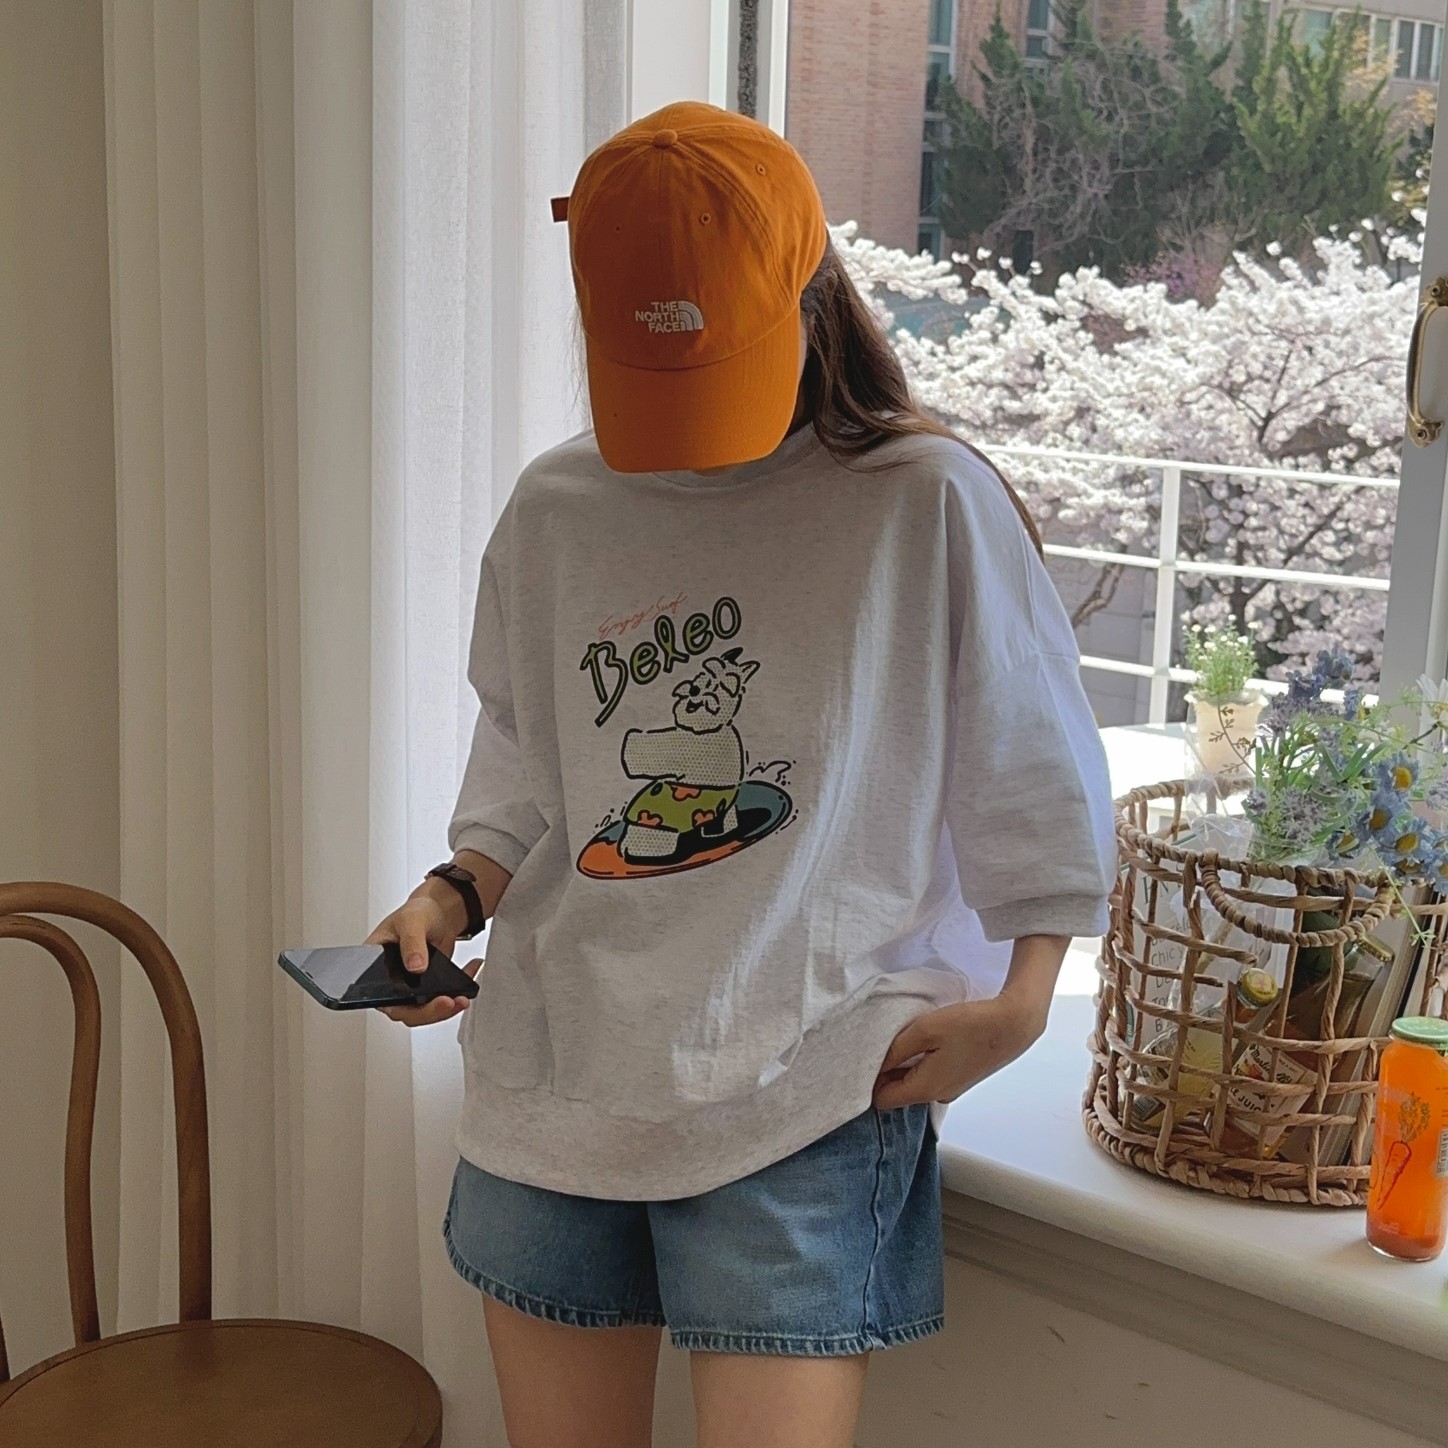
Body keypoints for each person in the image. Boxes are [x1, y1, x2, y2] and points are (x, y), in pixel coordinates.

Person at [367, 101, 1116, 1448]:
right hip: (552, 1083)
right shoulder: (556, 508)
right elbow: (528, 755)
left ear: (811, 289)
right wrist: (452, 892)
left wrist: (1021, 1004)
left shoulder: (924, 500)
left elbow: (1032, 760)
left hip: (805, 1094)